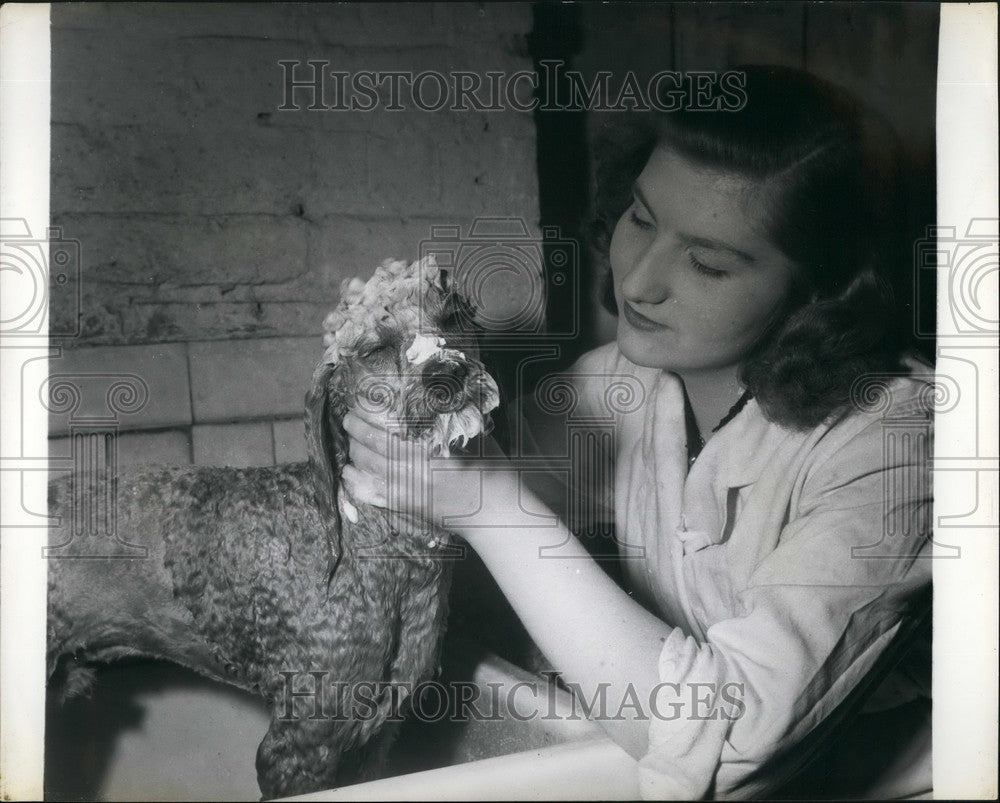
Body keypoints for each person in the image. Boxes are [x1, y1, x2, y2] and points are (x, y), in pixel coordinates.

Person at [341, 66, 933, 798]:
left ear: (820, 290)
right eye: (643, 218)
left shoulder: (902, 441)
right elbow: (430, 494)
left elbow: (732, 742)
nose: (640, 278)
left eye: (708, 263)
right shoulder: (626, 379)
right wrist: (391, 424)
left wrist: (484, 501)